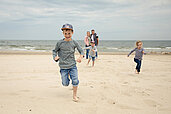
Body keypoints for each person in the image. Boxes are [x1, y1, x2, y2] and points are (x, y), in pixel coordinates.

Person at [52, 24, 84, 102]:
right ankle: (68, 76)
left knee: (75, 80)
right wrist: (55, 57)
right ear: (63, 33)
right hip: (63, 66)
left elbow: (81, 51)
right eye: (65, 33)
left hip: (72, 65)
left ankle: (74, 96)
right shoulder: (59, 43)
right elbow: (54, 51)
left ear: (72, 33)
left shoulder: (74, 42)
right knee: (65, 84)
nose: (67, 35)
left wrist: (80, 57)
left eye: (69, 33)